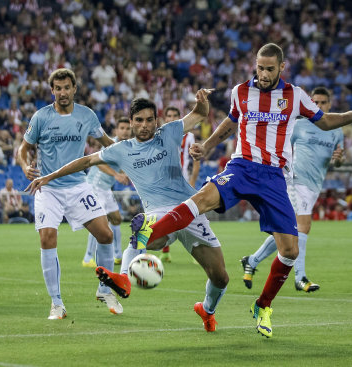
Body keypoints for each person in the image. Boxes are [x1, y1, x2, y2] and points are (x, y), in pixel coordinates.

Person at [123, 43, 352, 338]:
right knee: (202, 199)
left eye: (269, 69)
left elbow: (324, 122)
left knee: (290, 251)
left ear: (281, 68)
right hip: (242, 167)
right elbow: (230, 123)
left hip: (273, 177)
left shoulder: (294, 96)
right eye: (259, 67)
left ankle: (262, 305)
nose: (263, 73)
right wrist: (207, 146)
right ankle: (148, 234)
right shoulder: (241, 92)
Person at [27, 91, 229, 333]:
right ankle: (123, 277)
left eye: (149, 120)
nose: (144, 125)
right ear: (131, 122)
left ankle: (207, 310)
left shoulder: (170, 132)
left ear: (157, 121)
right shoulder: (121, 149)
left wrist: (202, 103)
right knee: (143, 226)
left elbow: (200, 114)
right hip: (158, 213)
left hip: (190, 209)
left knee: (220, 277)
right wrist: (49, 176)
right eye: (139, 120)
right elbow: (85, 161)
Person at [17, 68, 119, 319]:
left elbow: (105, 141)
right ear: (52, 91)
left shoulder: (87, 115)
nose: (62, 92)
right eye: (58, 88)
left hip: (78, 186)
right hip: (48, 188)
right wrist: (25, 165)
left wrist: (128, 154)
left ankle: (105, 289)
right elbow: (24, 148)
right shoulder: (41, 117)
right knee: (47, 239)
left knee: (106, 235)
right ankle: (56, 303)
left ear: (75, 88)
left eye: (66, 87)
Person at [241, 87, 345, 294]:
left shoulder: (336, 129)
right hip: (295, 180)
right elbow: (281, 146)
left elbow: (338, 161)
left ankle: (252, 260)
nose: (319, 106)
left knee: (289, 230)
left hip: (314, 185)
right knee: (303, 226)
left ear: (330, 104)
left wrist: (339, 160)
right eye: (315, 102)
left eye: (323, 102)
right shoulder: (299, 125)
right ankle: (300, 277)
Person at [82, 117, 132, 268]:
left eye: (127, 128)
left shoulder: (128, 146)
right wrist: (117, 175)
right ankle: (87, 258)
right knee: (98, 222)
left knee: (116, 219)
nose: (124, 131)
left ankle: (117, 255)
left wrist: (126, 174)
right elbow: (99, 163)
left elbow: (122, 165)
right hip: (95, 186)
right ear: (116, 130)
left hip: (105, 189)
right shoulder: (111, 144)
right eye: (121, 128)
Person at [159, 106, 201, 263]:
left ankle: (200, 249)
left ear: (179, 118)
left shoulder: (189, 137)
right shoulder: (160, 136)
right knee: (163, 216)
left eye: (174, 115)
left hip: (183, 183)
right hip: (165, 184)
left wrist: (192, 183)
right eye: (168, 115)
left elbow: (196, 162)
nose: (171, 118)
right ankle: (165, 252)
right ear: (165, 118)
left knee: (192, 217)